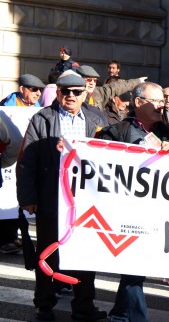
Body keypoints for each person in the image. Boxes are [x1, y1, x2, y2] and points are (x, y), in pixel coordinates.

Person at [17, 73, 107, 321]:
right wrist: (27, 197)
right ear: (57, 93)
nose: (70, 96)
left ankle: (83, 305)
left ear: (85, 93)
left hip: (86, 203)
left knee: (86, 255)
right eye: (65, 91)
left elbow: (112, 152)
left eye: (76, 92)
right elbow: (26, 162)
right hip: (51, 199)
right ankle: (43, 304)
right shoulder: (42, 119)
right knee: (47, 254)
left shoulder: (97, 118)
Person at [99, 82, 169, 322]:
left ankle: (119, 313)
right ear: (137, 103)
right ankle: (135, 317)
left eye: (162, 101)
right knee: (134, 268)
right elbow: (95, 158)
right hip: (128, 212)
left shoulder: (168, 133)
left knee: (138, 268)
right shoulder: (116, 132)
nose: (161, 105)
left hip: (157, 212)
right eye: (155, 100)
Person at [0, 74, 46, 254]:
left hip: (18, 163)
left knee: (13, 198)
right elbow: (16, 140)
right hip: (9, 162)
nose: (37, 93)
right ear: (22, 90)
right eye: (33, 89)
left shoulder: (39, 111)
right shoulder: (6, 108)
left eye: (40, 90)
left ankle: (10, 237)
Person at [75, 65, 145, 112]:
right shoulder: (70, 94)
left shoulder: (99, 93)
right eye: (89, 80)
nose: (92, 83)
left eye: (95, 80)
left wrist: (138, 81)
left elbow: (116, 87)